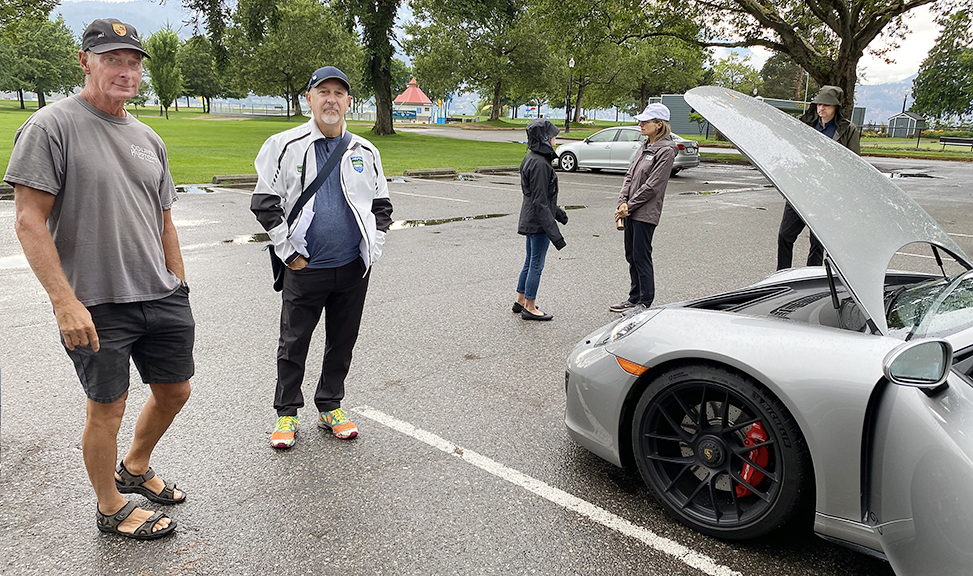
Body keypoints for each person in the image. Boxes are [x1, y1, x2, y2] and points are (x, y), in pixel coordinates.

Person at [5, 19, 193, 540]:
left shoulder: (146, 136)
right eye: (113, 58)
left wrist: (178, 282)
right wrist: (64, 302)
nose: (125, 70)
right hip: (95, 302)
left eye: (133, 62)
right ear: (85, 60)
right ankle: (110, 507)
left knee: (176, 390)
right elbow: (28, 219)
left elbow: (164, 219)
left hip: (160, 294)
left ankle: (134, 468)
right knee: (107, 406)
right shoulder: (51, 126)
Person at [252, 66, 393, 449]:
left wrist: (372, 250)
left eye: (339, 93)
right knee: (294, 341)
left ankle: (330, 404)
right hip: (306, 267)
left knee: (342, 340)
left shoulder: (365, 150)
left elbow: (381, 205)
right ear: (309, 99)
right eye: (323, 92)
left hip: (352, 267)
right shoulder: (284, 145)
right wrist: (289, 253)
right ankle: (286, 413)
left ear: (349, 101)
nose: (331, 99)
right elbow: (265, 203)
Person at [776, 85, 861, 270]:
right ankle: (781, 275)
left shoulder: (848, 130)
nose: (821, 108)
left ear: (836, 107)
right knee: (785, 235)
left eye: (827, 105)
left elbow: (854, 164)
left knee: (817, 242)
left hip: (827, 195)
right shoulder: (805, 125)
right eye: (819, 104)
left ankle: (810, 279)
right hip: (800, 191)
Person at [610, 103, 678, 314]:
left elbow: (653, 186)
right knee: (631, 254)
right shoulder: (645, 146)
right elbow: (630, 176)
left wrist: (628, 206)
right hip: (630, 210)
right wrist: (622, 201)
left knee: (641, 255)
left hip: (645, 213)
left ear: (659, 125)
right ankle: (634, 297)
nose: (640, 124)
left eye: (645, 121)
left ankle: (644, 302)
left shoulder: (666, 151)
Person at [513, 118, 568, 321]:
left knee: (530, 261)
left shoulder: (532, 158)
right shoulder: (540, 164)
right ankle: (530, 306)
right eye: (554, 136)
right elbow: (541, 201)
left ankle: (520, 300)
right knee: (536, 263)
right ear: (544, 138)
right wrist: (556, 234)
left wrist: (559, 214)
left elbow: (540, 198)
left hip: (531, 217)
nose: (556, 139)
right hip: (538, 221)